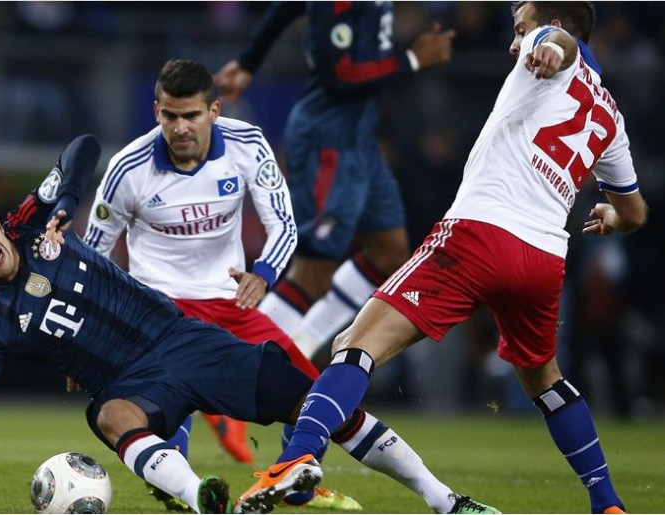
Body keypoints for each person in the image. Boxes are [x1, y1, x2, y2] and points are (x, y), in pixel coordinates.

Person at [0, 135, 500, 515]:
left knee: (324, 407)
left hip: (182, 340)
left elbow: (81, 148)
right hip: (132, 384)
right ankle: (204, 498)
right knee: (107, 415)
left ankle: (445, 500)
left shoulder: (31, 222)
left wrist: (65, 200)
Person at [238, 2, 647, 514]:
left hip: (479, 234)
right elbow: (634, 212)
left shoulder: (549, 44)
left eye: (519, 30)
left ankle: (296, 458)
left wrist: (546, 46)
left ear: (554, 25)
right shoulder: (611, 114)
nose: (514, 44)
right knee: (546, 381)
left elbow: (559, 48)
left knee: (356, 344)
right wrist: (611, 214)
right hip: (543, 258)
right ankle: (607, 503)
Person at [82, 58, 357, 511]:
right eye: (170, 116)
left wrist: (263, 274)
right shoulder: (127, 169)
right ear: (156, 112)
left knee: (315, 391)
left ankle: (295, 482)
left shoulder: (247, 144)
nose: (180, 127)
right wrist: (95, 332)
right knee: (163, 405)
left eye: (191, 115)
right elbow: (94, 256)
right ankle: (181, 488)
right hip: (156, 311)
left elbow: (284, 225)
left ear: (214, 109)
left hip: (229, 302)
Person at [215, 2, 456, 360]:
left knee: (389, 255)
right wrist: (412, 60)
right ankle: (236, 364)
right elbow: (339, 75)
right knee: (315, 267)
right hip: (326, 142)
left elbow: (287, 7)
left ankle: (300, 347)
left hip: (359, 141)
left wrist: (248, 62)